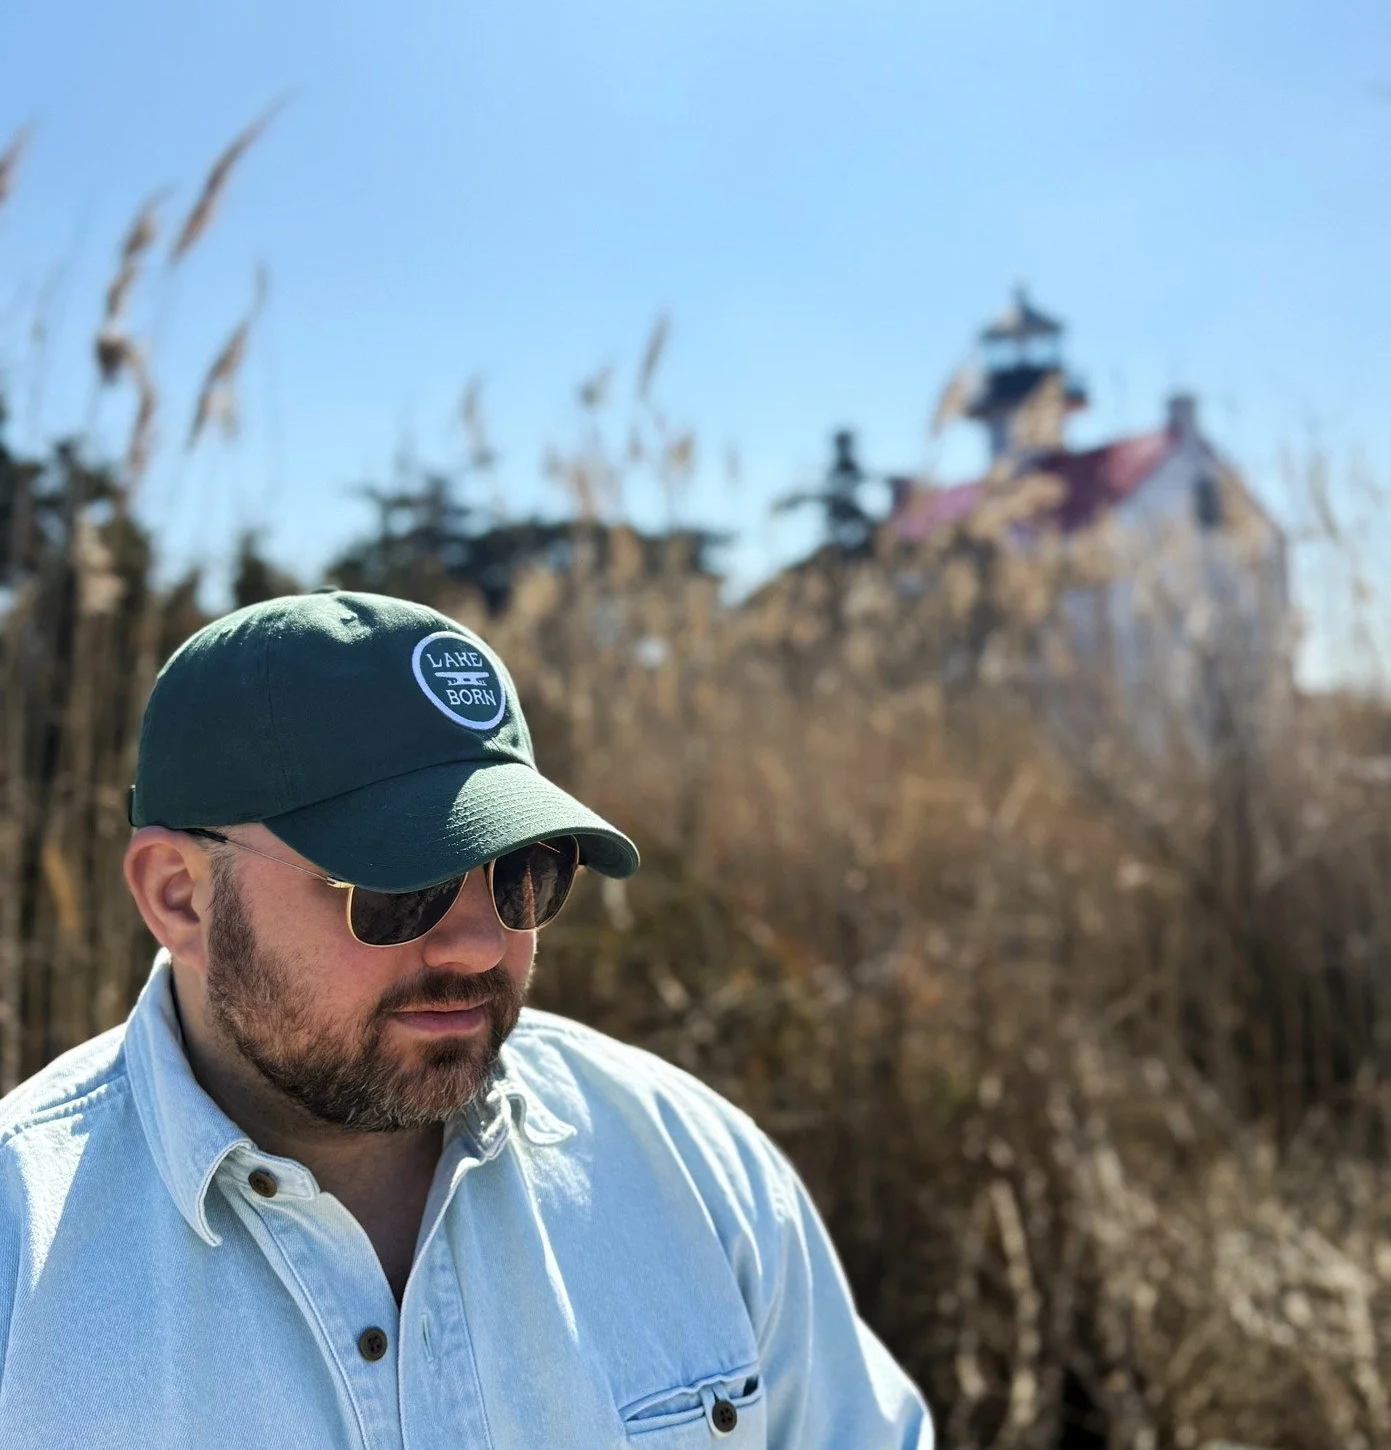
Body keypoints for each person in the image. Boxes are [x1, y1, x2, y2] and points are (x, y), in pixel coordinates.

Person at [0, 590, 933, 1448]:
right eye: (397, 886)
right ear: (179, 897)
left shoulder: (691, 1164)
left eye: (524, 873)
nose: (480, 946)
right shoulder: (20, 1251)